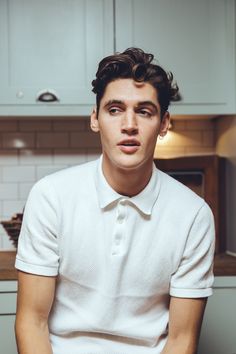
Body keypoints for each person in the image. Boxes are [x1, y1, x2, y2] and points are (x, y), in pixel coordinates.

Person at [15, 47, 215, 354]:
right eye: (114, 109)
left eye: (145, 111)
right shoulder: (51, 197)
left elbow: (181, 340)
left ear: (164, 124)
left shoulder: (194, 216)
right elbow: (32, 322)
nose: (129, 125)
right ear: (95, 119)